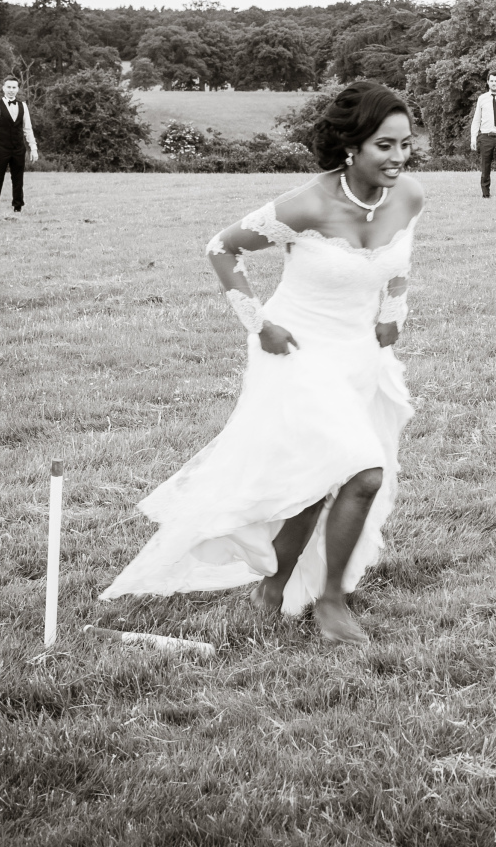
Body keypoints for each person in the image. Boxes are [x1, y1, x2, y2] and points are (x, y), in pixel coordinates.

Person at [101, 81, 425, 644]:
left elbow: (400, 259)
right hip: (296, 350)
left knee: (318, 476)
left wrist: (393, 310)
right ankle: (331, 603)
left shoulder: (409, 196)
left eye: (405, 144)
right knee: (364, 473)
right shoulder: (308, 203)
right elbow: (220, 248)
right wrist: (260, 324)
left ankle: (273, 587)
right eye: (384, 145)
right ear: (352, 147)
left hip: (358, 354)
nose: (398, 157)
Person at [0, 77, 38, 214]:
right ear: (3, 88)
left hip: (19, 148)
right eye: (8, 87)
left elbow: (28, 129)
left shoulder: (23, 106)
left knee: (18, 179)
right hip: (1, 148)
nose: (11, 90)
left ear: (17, 89)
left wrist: (33, 148)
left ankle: (18, 207)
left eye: (14, 87)